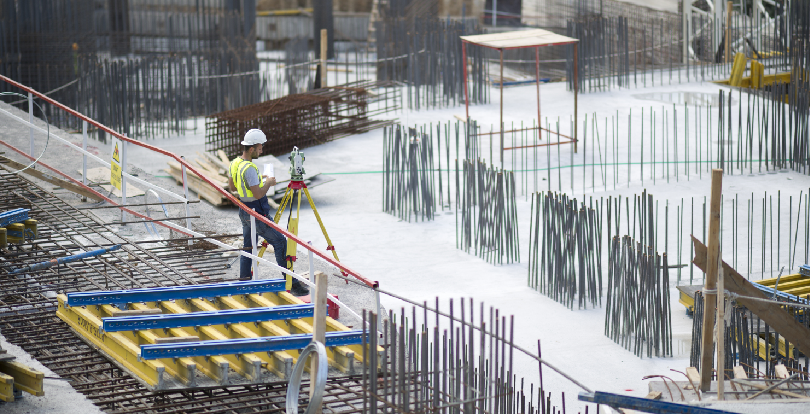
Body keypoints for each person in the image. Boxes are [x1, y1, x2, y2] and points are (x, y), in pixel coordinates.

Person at [228, 129, 309, 296]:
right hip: (257, 213)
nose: (261, 151)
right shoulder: (250, 168)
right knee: (280, 242)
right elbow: (258, 194)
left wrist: (256, 182)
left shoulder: (235, 163)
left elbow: (233, 187)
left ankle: (244, 282)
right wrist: (268, 183)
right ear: (251, 148)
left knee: (248, 247)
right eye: (259, 148)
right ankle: (292, 283)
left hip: (244, 210)